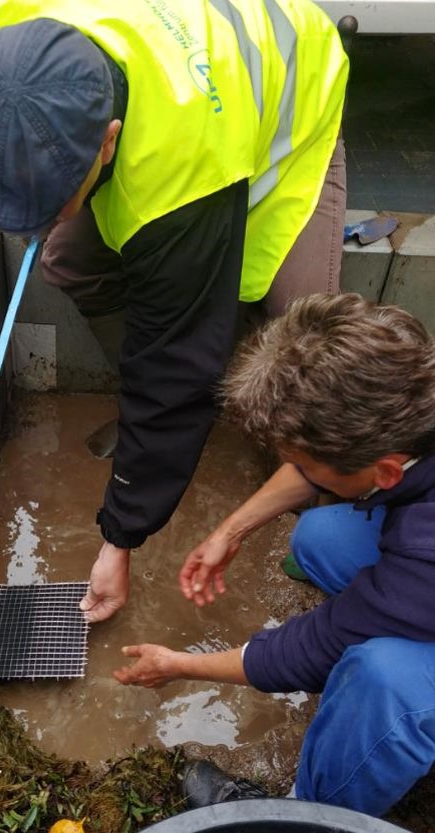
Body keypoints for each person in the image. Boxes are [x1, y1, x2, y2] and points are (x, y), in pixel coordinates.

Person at [0, 0, 348, 623]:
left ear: (108, 142)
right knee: (68, 258)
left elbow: (174, 361)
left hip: (288, 108)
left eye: (54, 203)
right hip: (185, 73)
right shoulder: (2, 26)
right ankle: (179, 416)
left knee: (304, 340)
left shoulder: (181, 170)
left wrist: (121, 538)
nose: (40, 226)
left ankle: (327, 511)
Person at [114, 293, 435, 817]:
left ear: (387, 474)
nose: (299, 470)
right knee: (321, 537)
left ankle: (313, 814)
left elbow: (312, 648)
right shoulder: (416, 395)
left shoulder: (428, 552)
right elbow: (325, 463)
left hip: (421, 586)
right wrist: (230, 530)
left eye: (307, 464)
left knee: (382, 677)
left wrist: (179, 665)